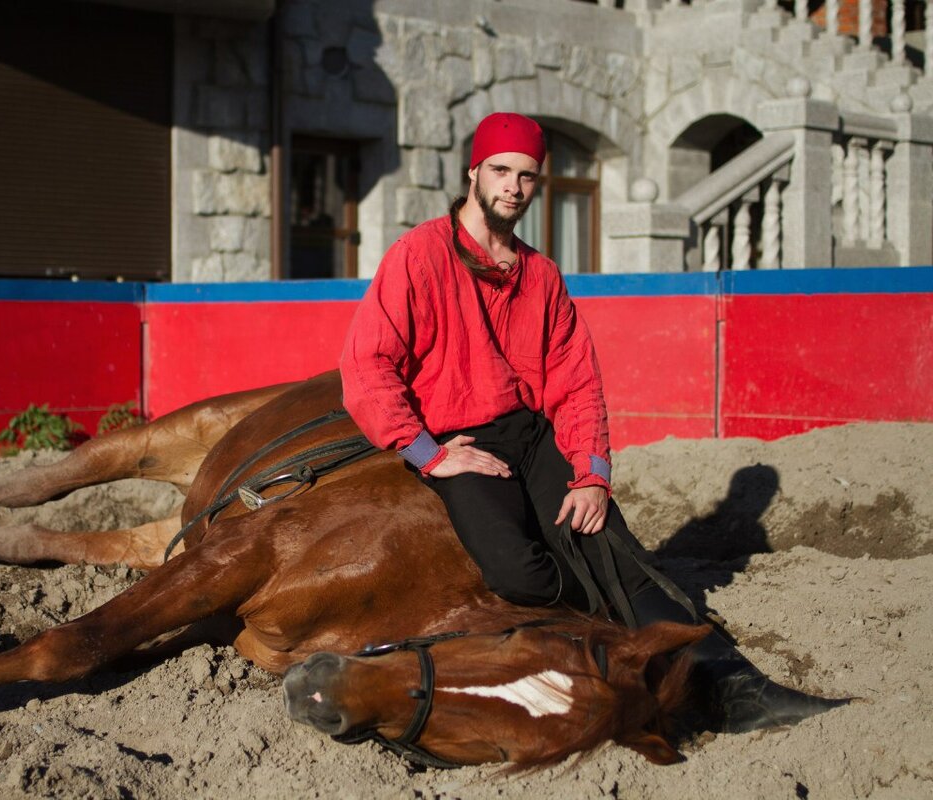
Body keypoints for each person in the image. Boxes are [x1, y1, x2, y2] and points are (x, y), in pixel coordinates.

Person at [339, 112, 846, 734]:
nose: (513, 187)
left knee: (611, 544)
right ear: (473, 172)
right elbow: (366, 365)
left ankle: (737, 685)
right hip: (463, 441)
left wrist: (591, 473)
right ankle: (610, 637)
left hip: (533, 435)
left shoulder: (543, 276)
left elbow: (577, 384)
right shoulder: (417, 256)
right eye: (500, 171)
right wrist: (430, 453)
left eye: (527, 176)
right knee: (516, 571)